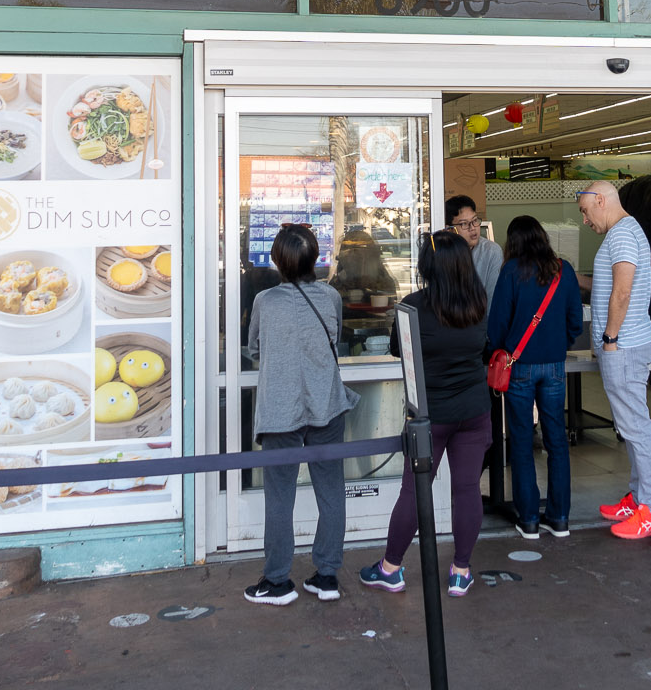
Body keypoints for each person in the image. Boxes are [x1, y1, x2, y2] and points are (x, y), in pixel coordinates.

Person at [361, 231, 491, 598]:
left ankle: (390, 568)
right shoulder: (478, 302)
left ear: (427, 266)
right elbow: (485, 347)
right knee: (467, 490)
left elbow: (395, 349)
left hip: (428, 417)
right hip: (473, 410)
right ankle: (460, 571)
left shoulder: (412, 305)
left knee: (415, 491)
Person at [243, 224, 358, 607]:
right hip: (327, 403)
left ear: (277, 260)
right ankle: (327, 576)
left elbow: (254, 347)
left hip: (280, 409)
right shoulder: (330, 298)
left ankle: (277, 581)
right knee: (331, 491)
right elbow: (335, 336)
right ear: (314, 259)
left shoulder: (265, 301)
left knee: (279, 496)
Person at [576, 181, 651, 539]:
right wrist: (575, 278)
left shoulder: (623, 234)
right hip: (623, 345)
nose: (585, 220)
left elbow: (623, 290)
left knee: (636, 427)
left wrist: (610, 339)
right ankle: (639, 498)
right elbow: (607, 284)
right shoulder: (620, 234)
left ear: (601, 200)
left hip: (624, 346)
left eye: (585, 211)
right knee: (630, 426)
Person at [487, 214, 583, 541]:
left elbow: (497, 323)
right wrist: (559, 344)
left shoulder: (511, 272)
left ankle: (528, 519)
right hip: (555, 366)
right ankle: (559, 518)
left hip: (520, 367)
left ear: (512, 242)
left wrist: (501, 351)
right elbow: (575, 319)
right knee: (557, 441)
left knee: (522, 441)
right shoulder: (564, 270)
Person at [447, 193, 503, 303]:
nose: (472, 228)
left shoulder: (492, 252)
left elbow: (493, 301)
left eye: (475, 221)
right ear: (450, 229)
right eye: (464, 224)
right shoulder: (443, 253)